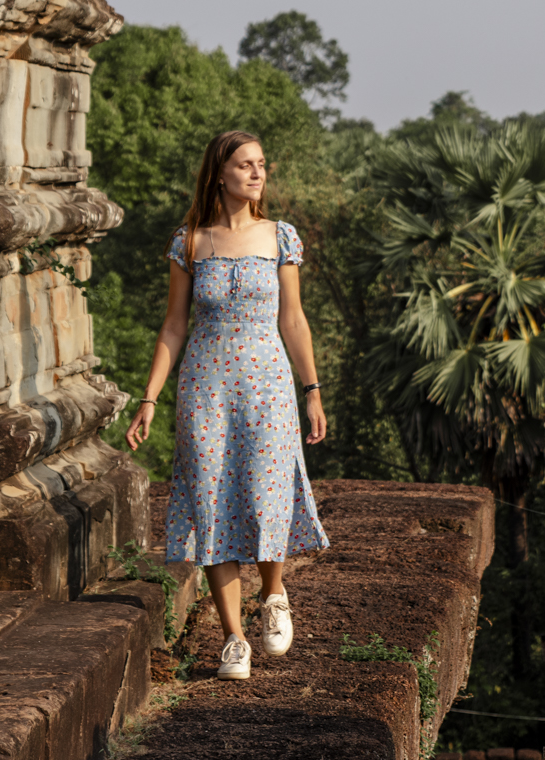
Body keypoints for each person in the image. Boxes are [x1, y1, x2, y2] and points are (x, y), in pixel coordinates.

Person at [131, 130, 329, 680]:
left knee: (266, 490)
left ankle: (273, 594)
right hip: (205, 386)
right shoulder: (189, 241)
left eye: (262, 164)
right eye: (245, 165)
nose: (257, 173)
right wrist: (150, 396)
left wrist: (311, 390)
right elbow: (174, 326)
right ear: (220, 172)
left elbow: (293, 319)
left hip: (267, 385)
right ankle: (234, 638)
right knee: (211, 497)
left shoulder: (279, 237)